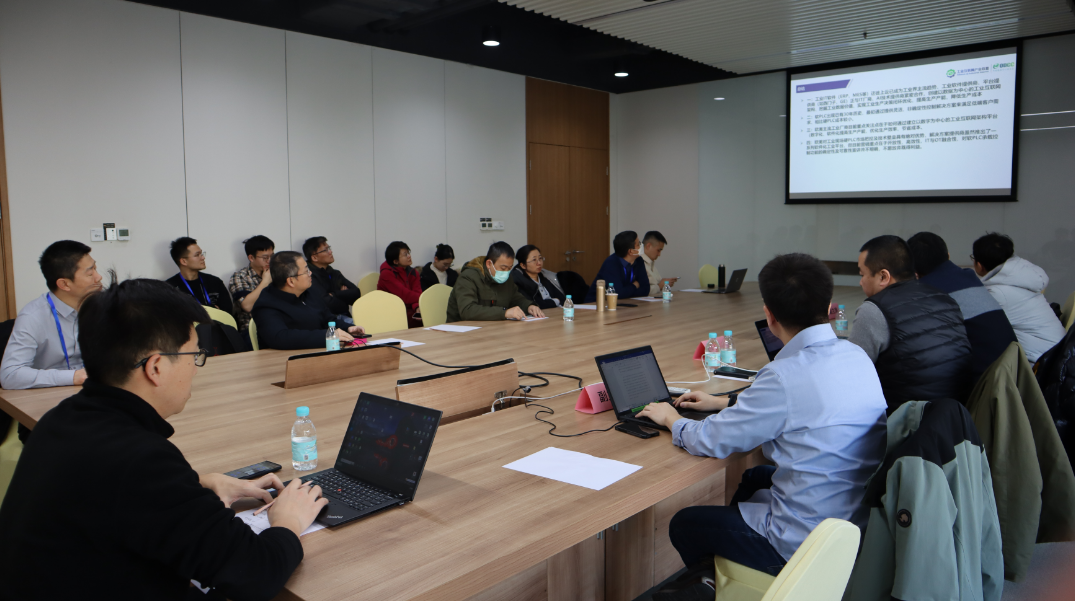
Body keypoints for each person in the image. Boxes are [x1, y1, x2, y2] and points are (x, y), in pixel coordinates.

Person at [0, 277, 328, 599]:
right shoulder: (140, 459)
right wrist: (287, 520)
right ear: (155, 367)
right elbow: (256, 574)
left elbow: (110, 492)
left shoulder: (63, 418)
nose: (196, 369)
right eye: (194, 356)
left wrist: (198, 483)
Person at [638, 253, 887, 599]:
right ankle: (714, 577)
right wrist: (726, 403)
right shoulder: (855, 355)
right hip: (852, 522)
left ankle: (727, 581)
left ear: (769, 316)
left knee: (685, 523)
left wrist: (671, 419)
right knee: (754, 477)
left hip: (801, 544)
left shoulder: (784, 375)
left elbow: (712, 439)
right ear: (829, 307)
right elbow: (803, 408)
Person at [851, 235, 973, 413]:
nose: (861, 281)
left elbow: (851, 375)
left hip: (906, 420)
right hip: (957, 414)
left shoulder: (873, 310)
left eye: (862, 274)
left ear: (883, 276)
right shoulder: (945, 299)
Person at [907, 232, 1018, 377]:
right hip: (1012, 371)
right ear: (948, 255)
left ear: (912, 267)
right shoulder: (969, 277)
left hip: (985, 381)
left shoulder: (926, 292)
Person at [0, 241, 102, 389]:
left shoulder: (103, 307)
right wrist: (73, 377)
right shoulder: (32, 317)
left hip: (95, 390)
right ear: (64, 284)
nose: (98, 277)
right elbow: (10, 375)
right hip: (49, 394)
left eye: (95, 268)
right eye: (90, 273)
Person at [972, 232, 1066, 363]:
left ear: (979, 265)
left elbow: (975, 330)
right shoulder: (1020, 278)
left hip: (1041, 364)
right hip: (1056, 353)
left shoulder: (996, 294)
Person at [252, 251, 365, 350]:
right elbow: (280, 337)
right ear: (291, 281)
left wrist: (347, 328)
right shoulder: (266, 305)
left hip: (317, 354)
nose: (310, 273)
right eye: (306, 271)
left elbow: (328, 319)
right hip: (283, 361)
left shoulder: (308, 292)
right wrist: (327, 335)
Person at [446, 241, 546, 322]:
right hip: (461, 330)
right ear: (489, 264)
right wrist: (504, 313)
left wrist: (529, 306)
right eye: (503, 268)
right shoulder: (468, 277)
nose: (506, 272)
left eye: (509, 268)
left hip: (493, 328)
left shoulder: (506, 278)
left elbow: (515, 298)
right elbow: (467, 310)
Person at [165, 237, 233, 315]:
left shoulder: (215, 282)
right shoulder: (169, 288)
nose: (203, 257)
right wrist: (213, 310)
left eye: (201, 254)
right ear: (184, 261)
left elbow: (227, 313)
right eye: (197, 255)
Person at [585, 230, 651, 302]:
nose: (641, 246)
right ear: (630, 251)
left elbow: (646, 289)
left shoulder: (638, 260)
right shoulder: (611, 263)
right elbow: (618, 293)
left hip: (625, 302)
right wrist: (635, 285)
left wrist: (625, 292)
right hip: (597, 303)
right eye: (638, 244)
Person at [303, 236, 360, 316]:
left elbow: (357, 293)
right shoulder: (309, 276)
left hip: (344, 316)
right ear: (314, 257)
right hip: (327, 320)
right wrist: (345, 297)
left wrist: (334, 294)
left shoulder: (335, 273)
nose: (330, 252)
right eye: (325, 250)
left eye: (329, 248)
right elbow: (326, 304)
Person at [228, 235, 275, 333]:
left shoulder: (278, 273)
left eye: (272, 256)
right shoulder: (240, 276)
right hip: (252, 329)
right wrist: (265, 282)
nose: (269, 261)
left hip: (278, 324)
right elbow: (247, 306)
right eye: (265, 257)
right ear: (251, 258)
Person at [378, 241, 423, 327]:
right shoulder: (386, 274)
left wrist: (417, 307)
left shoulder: (413, 272)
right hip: (390, 311)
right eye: (405, 254)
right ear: (395, 261)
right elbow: (405, 295)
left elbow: (416, 292)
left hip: (408, 309)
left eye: (408, 253)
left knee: (425, 315)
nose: (409, 256)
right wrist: (422, 298)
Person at [512, 245, 566, 309]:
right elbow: (534, 304)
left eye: (540, 258)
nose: (539, 263)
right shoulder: (518, 281)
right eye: (534, 260)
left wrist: (554, 301)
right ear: (523, 265)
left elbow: (562, 299)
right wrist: (556, 301)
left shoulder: (544, 276)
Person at [641, 231, 678, 296]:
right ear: (648, 246)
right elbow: (640, 290)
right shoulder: (637, 263)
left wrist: (665, 283)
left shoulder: (650, 262)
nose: (659, 254)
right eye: (658, 250)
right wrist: (660, 286)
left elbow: (658, 283)